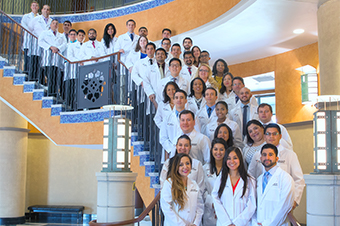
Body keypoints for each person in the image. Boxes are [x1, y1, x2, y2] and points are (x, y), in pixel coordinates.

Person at [248, 124, 305, 209]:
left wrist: (294, 200)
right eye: (268, 134)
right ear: (264, 136)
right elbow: (250, 176)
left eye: (275, 134)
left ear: (280, 136)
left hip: (282, 200)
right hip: (261, 199)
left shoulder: (289, 155)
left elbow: (299, 180)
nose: (271, 136)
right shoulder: (257, 155)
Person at [212, 146, 256, 226]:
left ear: (240, 159)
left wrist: (237, 223)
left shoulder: (250, 180)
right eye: (228, 158)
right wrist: (227, 222)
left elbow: (251, 205)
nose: (231, 161)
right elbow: (216, 199)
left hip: (243, 223)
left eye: (235, 158)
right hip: (224, 223)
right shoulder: (220, 179)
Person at [255, 144, 295, 226]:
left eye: (270, 155)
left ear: (277, 158)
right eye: (264, 155)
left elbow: (284, 207)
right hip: (260, 223)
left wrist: (268, 224)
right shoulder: (259, 180)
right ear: (260, 158)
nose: (267, 158)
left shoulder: (285, 178)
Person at [160, 153, 204, 226]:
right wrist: (182, 224)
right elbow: (166, 208)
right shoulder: (169, 183)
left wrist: (195, 223)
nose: (185, 167)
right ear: (176, 167)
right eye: (181, 165)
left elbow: (199, 206)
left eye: (187, 163)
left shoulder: (194, 184)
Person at [38, 19, 67, 97]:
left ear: (58, 26)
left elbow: (65, 44)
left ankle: (54, 94)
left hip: (57, 61)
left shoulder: (61, 35)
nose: (55, 25)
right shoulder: (44, 33)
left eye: (56, 24)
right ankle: (51, 94)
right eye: (53, 23)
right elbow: (40, 42)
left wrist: (57, 48)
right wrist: (50, 47)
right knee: (50, 77)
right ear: (50, 25)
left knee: (55, 77)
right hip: (48, 59)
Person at [202, 138, 227, 226]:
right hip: (209, 209)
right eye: (215, 149)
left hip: (225, 209)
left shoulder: (229, 169)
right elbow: (202, 190)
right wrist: (213, 203)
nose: (218, 152)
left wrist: (220, 206)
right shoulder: (205, 168)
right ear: (211, 150)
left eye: (221, 149)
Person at [160, 90, 188, 161]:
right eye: (176, 98)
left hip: (186, 152)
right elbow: (163, 137)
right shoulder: (167, 118)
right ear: (173, 100)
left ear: (186, 100)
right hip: (170, 153)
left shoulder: (192, 117)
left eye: (181, 97)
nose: (179, 100)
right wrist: (171, 149)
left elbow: (194, 134)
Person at [28, 4, 52, 83]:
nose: (46, 11)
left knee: (43, 64)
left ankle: (41, 81)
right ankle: (32, 79)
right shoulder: (36, 19)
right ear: (41, 10)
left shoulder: (51, 21)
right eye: (44, 9)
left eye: (48, 9)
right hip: (36, 44)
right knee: (35, 62)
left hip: (46, 45)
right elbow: (30, 29)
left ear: (49, 11)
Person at [64, 29, 85, 109]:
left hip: (82, 70)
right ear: (77, 36)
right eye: (79, 35)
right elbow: (70, 57)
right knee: (72, 89)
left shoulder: (85, 45)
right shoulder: (71, 45)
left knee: (80, 91)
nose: (81, 37)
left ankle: (79, 106)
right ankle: (71, 106)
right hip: (73, 70)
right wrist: (79, 61)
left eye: (83, 35)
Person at [21, 1, 39, 73]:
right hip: (28, 41)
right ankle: (26, 72)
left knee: (35, 60)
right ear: (31, 7)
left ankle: (34, 74)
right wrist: (32, 31)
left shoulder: (40, 18)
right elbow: (23, 26)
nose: (34, 7)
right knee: (27, 59)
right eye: (33, 5)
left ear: (38, 7)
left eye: (36, 6)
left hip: (36, 42)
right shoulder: (26, 16)